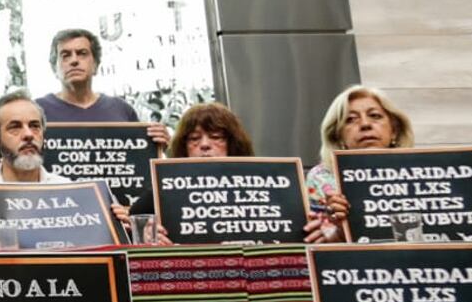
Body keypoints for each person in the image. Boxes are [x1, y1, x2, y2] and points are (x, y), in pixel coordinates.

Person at [307, 85, 472, 237]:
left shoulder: (439, 172)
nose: (365, 125)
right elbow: (317, 247)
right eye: (351, 120)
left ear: (394, 130)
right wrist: (341, 229)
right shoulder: (322, 177)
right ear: (338, 136)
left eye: (375, 116)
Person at [145, 101, 341, 245]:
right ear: (183, 146)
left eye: (216, 137)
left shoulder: (275, 186)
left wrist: (318, 236)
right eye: (194, 139)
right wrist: (151, 237)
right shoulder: (164, 189)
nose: (205, 145)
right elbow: (133, 222)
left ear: (233, 144)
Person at [0, 91, 95, 251]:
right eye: (15, 127)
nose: (28, 134)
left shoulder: (74, 193)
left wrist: (118, 228)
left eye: (34, 126)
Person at [37, 28, 169, 151]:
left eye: (82, 54)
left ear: (95, 65)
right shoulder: (36, 110)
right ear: (54, 69)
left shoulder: (121, 109)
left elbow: (139, 162)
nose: (74, 60)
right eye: (65, 55)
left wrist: (160, 146)